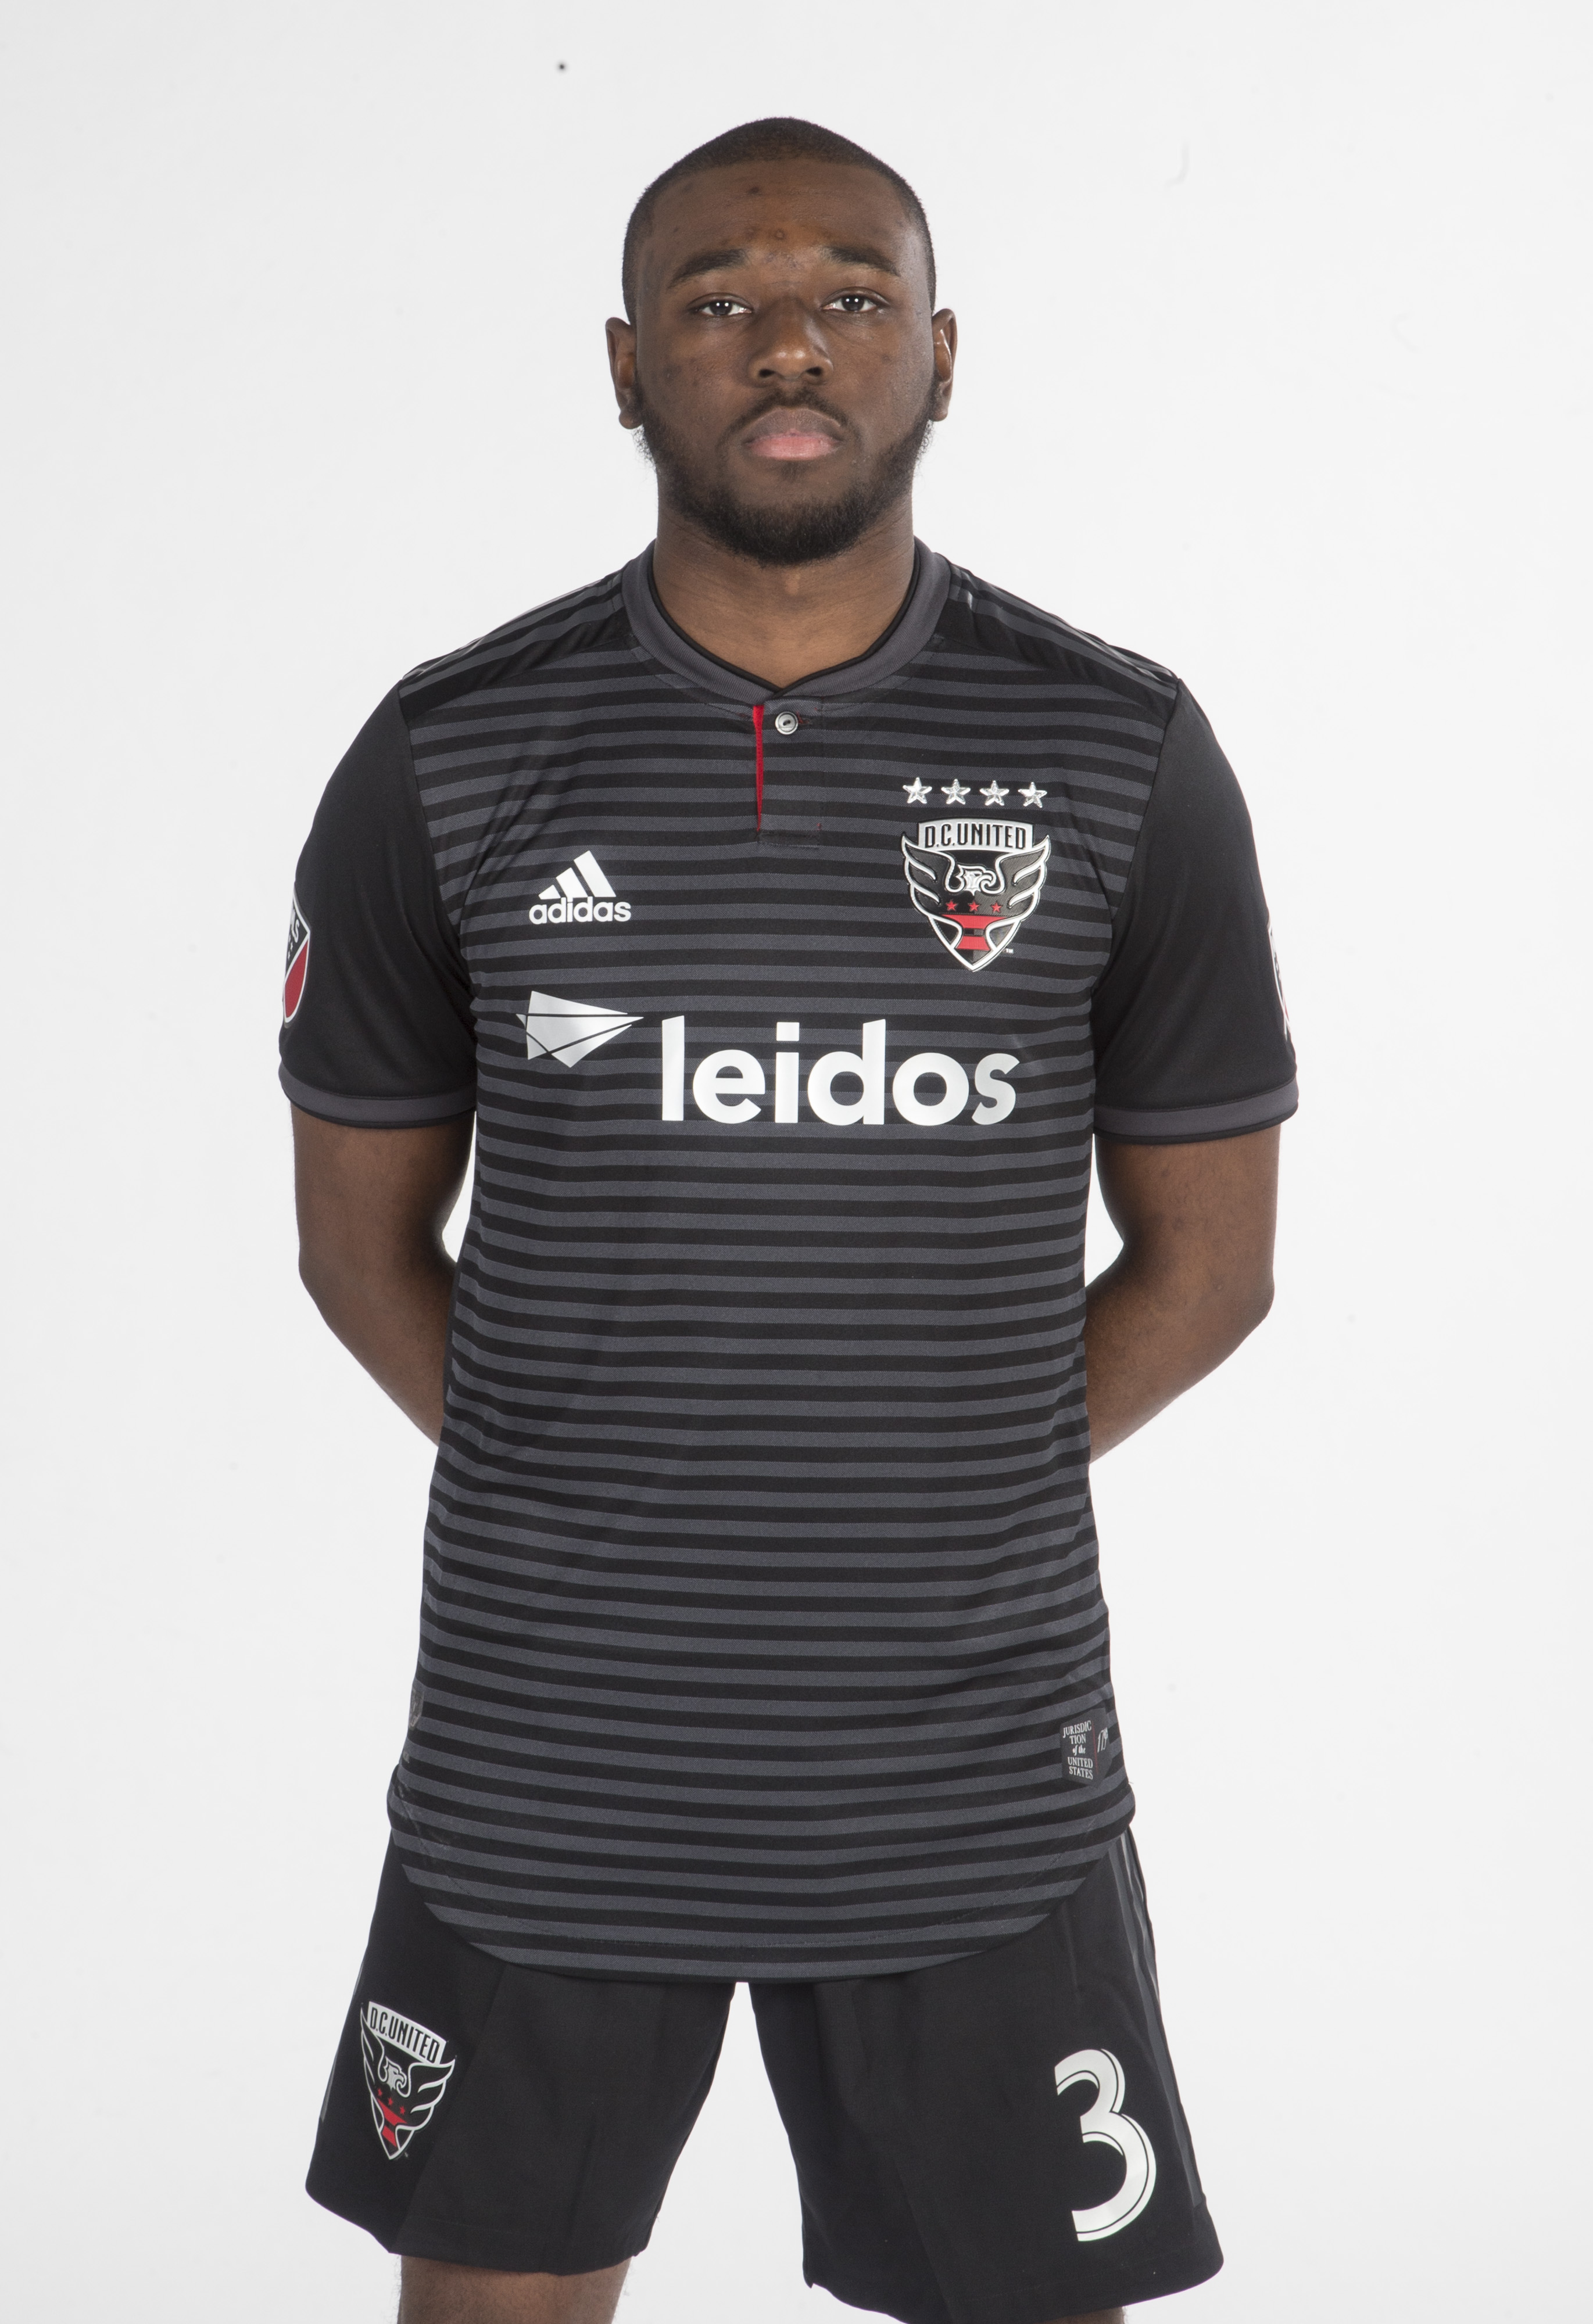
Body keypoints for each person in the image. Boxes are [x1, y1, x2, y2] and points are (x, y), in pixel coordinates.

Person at [281, 116, 1295, 2324]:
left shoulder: (1118, 752)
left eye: (850, 295)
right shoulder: (450, 755)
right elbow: (354, 1246)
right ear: (624, 365)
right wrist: (595, 1480)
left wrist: (931, 1488)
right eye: (720, 301)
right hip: (553, 1740)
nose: (789, 345)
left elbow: (1214, 1266)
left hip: (968, 1749)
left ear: (942, 352)